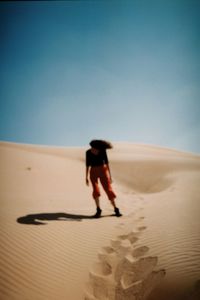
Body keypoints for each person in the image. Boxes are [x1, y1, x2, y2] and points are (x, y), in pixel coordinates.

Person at [85, 145, 122, 218]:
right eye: (92, 148)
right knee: (95, 190)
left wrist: (110, 176)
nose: (93, 150)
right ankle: (98, 210)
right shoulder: (88, 152)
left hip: (103, 170)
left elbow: (107, 163)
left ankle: (116, 209)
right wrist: (86, 177)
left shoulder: (102, 150)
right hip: (93, 171)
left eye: (94, 148)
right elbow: (87, 165)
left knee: (108, 189)